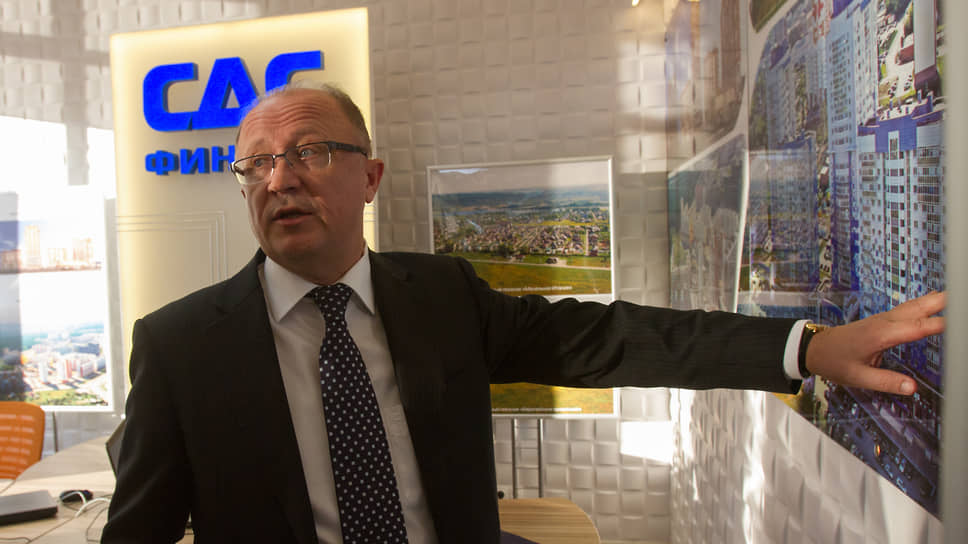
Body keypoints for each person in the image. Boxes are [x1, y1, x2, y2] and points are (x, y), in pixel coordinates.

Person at [101, 82, 945, 544]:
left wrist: (808, 348)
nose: (280, 178)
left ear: (370, 177)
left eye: (309, 152)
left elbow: (611, 339)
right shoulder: (179, 347)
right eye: (255, 165)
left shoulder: (441, 296)